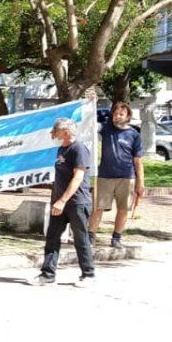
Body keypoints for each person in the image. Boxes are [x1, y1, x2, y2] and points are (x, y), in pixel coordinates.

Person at [30, 118, 96, 287]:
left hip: (77, 203)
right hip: (59, 202)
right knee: (52, 238)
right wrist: (56, 201)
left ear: (66, 132)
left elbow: (78, 177)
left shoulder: (79, 149)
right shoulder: (62, 149)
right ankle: (47, 275)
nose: (53, 133)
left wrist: (63, 200)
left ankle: (88, 274)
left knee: (81, 239)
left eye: (56, 130)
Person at [90, 101, 145, 248]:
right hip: (105, 176)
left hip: (127, 177)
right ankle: (90, 237)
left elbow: (138, 161)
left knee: (123, 209)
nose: (117, 117)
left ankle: (116, 238)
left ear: (128, 116)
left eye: (121, 114)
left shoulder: (134, 135)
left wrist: (140, 183)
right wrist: (91, 101)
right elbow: (91, 122)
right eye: (115, 114)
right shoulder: (106, 129)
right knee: (97, 207)